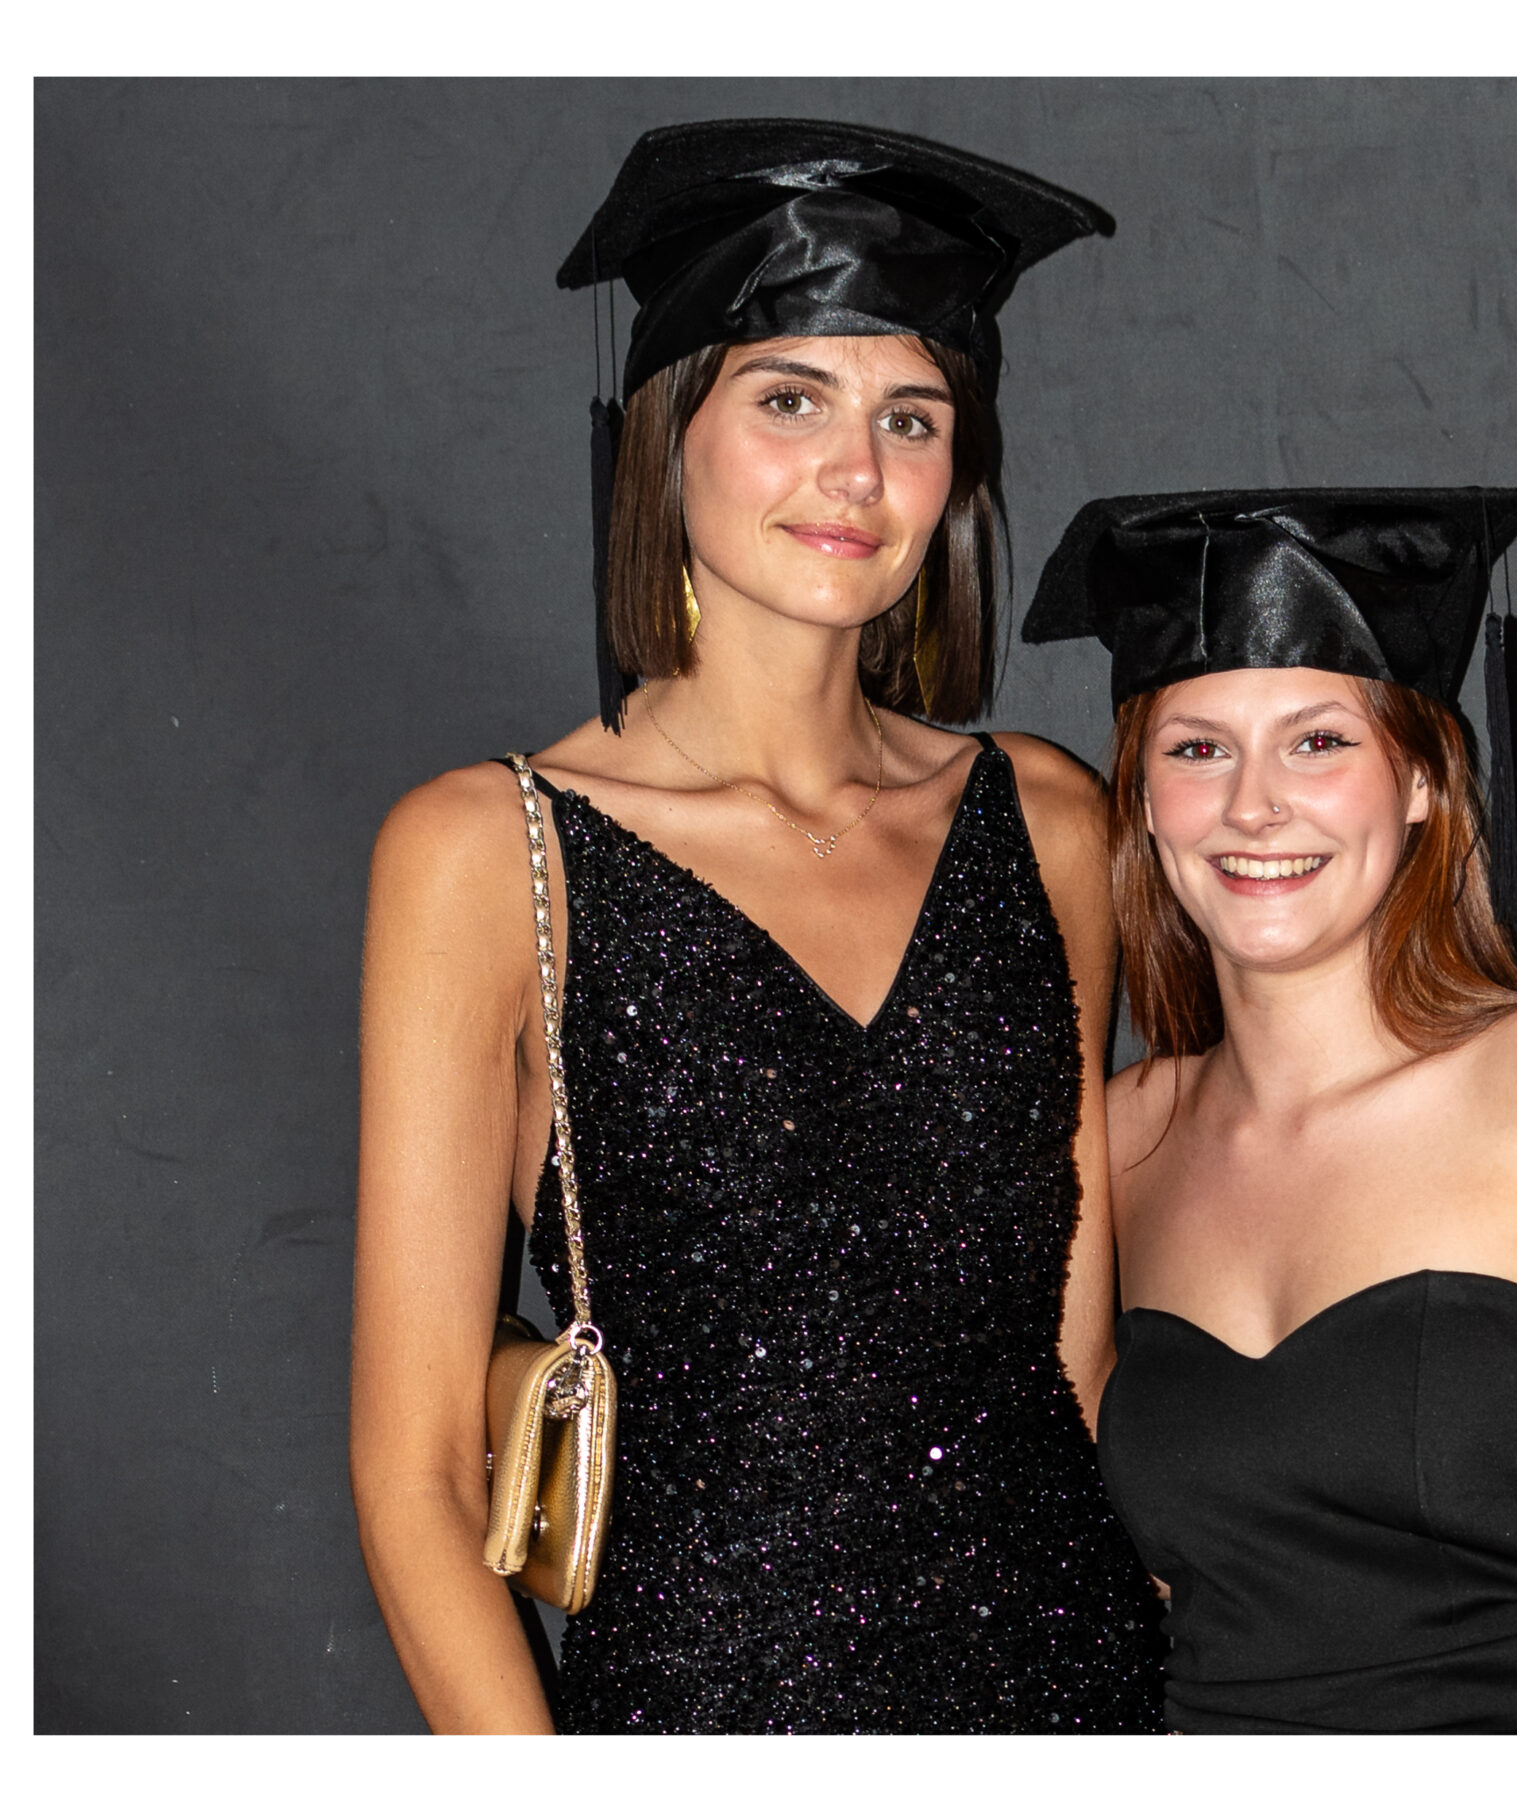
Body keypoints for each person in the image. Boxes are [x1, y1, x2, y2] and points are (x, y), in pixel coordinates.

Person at [351, 119, 1162, 1733]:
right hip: (705, 1708)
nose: (856, 472)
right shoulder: (489, 850)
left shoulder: (1048, 821)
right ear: (671, 434)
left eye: (910, 417)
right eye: (791, 399)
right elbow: (418, 1471)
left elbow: (1075, 1361)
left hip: (1069, 1685)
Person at [1022, 487, 1517, 1733]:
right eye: (1197, 750)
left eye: (1317, 742)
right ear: (1138, 798)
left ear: (1416, 780)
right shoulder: (1117, 1142)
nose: (1253, 805)